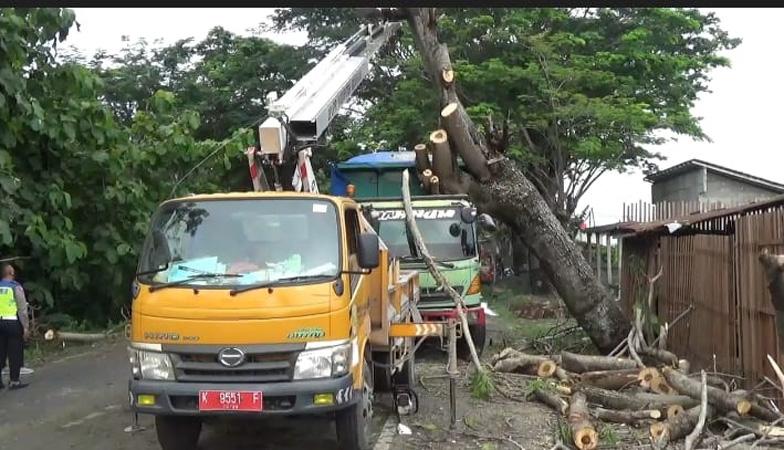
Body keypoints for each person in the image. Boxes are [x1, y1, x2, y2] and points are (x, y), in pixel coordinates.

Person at [0, 263, 29, 389]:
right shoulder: (15, 287)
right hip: (12, 323)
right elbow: (22, 309)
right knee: (14, 352)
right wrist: (26, 327)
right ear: (11, 273)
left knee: (0, 353)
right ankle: (14, 381)